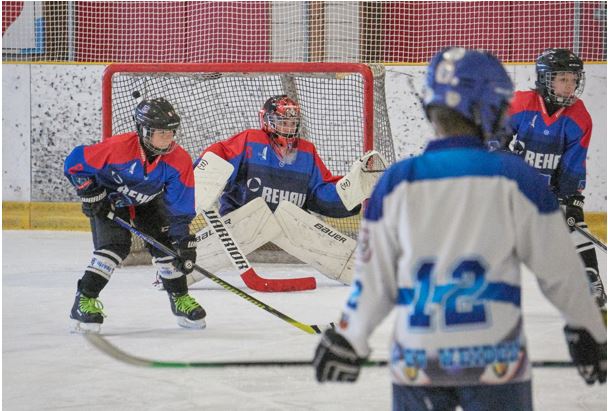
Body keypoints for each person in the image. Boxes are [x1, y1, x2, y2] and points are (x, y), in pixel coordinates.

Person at [313, 48, 606, 410]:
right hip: (496, 364)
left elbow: (373, 281)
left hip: (416, 364)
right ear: (490, 109)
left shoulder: (395, 182)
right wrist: (587, 331)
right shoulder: (520, 181)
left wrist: (349, 336)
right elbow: (563, 275)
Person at [186, 95, 386, 285]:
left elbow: (319, 193)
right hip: (243, 219)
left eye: (292, 123)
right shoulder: (251, 140)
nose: (288, 128)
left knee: (292, 215)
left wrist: (350, 191)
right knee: (257, 213)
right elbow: (220, 155)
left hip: (287, 220)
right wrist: (208, 172)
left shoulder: (306, 151)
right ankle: (176, 272)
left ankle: (362, 272)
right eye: (282, 122)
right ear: (267, 120)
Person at [65, 97, 206, 333]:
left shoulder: (179, 159)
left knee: (168, 246)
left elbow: (179, 205)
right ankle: (84, 300)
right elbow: (74, 163)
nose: (168, 138)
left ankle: (180, 299)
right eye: (161, 132)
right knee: (114, 248)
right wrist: (90, 193)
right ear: (144, 130)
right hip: (109, 200)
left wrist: (181, 240)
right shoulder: (117, 148)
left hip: (147, 201)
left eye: (171, 132)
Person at [506, 48, 606, 308]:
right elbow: (493, 141)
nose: (570, 85)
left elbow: (573, 166)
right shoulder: (520, 103)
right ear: (546, 80)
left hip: (545, 189)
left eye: (574, 79)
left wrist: (571, 201)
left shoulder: (580, 117)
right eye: (563, 79)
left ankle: (590, 279)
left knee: (574, 226)